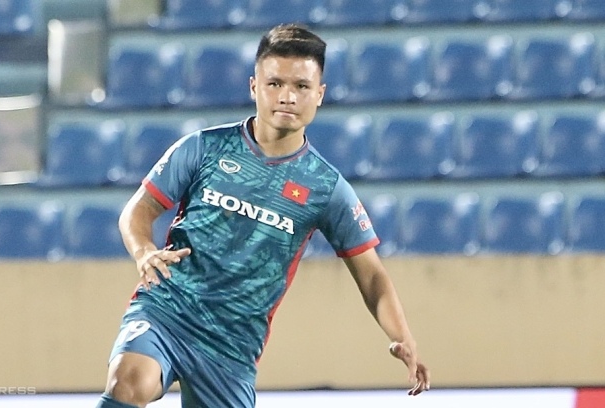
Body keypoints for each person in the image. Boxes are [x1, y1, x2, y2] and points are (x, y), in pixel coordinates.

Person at [96, 23, 430, 408]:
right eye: (275, 84)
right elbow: (138, 210)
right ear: (254, 87)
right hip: (168, 308)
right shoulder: (203, 149)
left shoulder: (325, 187)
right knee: (127, 382)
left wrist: (403, 335)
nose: (287, 96)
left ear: (319, 95)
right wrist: (143, 251)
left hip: (233, 345)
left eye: (301, 87)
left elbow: (371, 275)